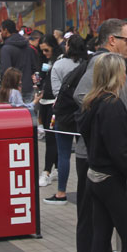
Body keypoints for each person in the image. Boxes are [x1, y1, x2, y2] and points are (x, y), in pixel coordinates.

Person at [72, 18, 127, 252]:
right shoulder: (103, 64)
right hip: (103, 162)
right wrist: (106, 122)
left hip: (107, 161)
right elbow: (80, 94)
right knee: (95, 225)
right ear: (112, 40)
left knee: (102, 228)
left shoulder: (110, 70)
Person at [46, 33, 89, 206]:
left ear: (68, 46)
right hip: (83, 112)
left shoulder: (58, 65)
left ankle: (61, 192)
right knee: (85, 153)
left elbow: (56, 92)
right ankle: (86, 191)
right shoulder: (87, 65)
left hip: (63, 114)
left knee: (63, 154)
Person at [36, 34, 59, 188]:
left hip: (54, 103)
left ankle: (46, 171)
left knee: (51, 138)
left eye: (47, 50)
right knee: (49, 136)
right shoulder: (45, 62)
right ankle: (56, 167)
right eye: (42, 51)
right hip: (43, 101)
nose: (44, 53)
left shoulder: (60, 61)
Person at [0, 19, 35, 103]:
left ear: (6, 30)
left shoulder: (6, 49)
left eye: (1, 30)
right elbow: (34, 66)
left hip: (13, 91)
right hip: (28, 87)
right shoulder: (28, 47)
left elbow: (6, 71)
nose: (0, 33)